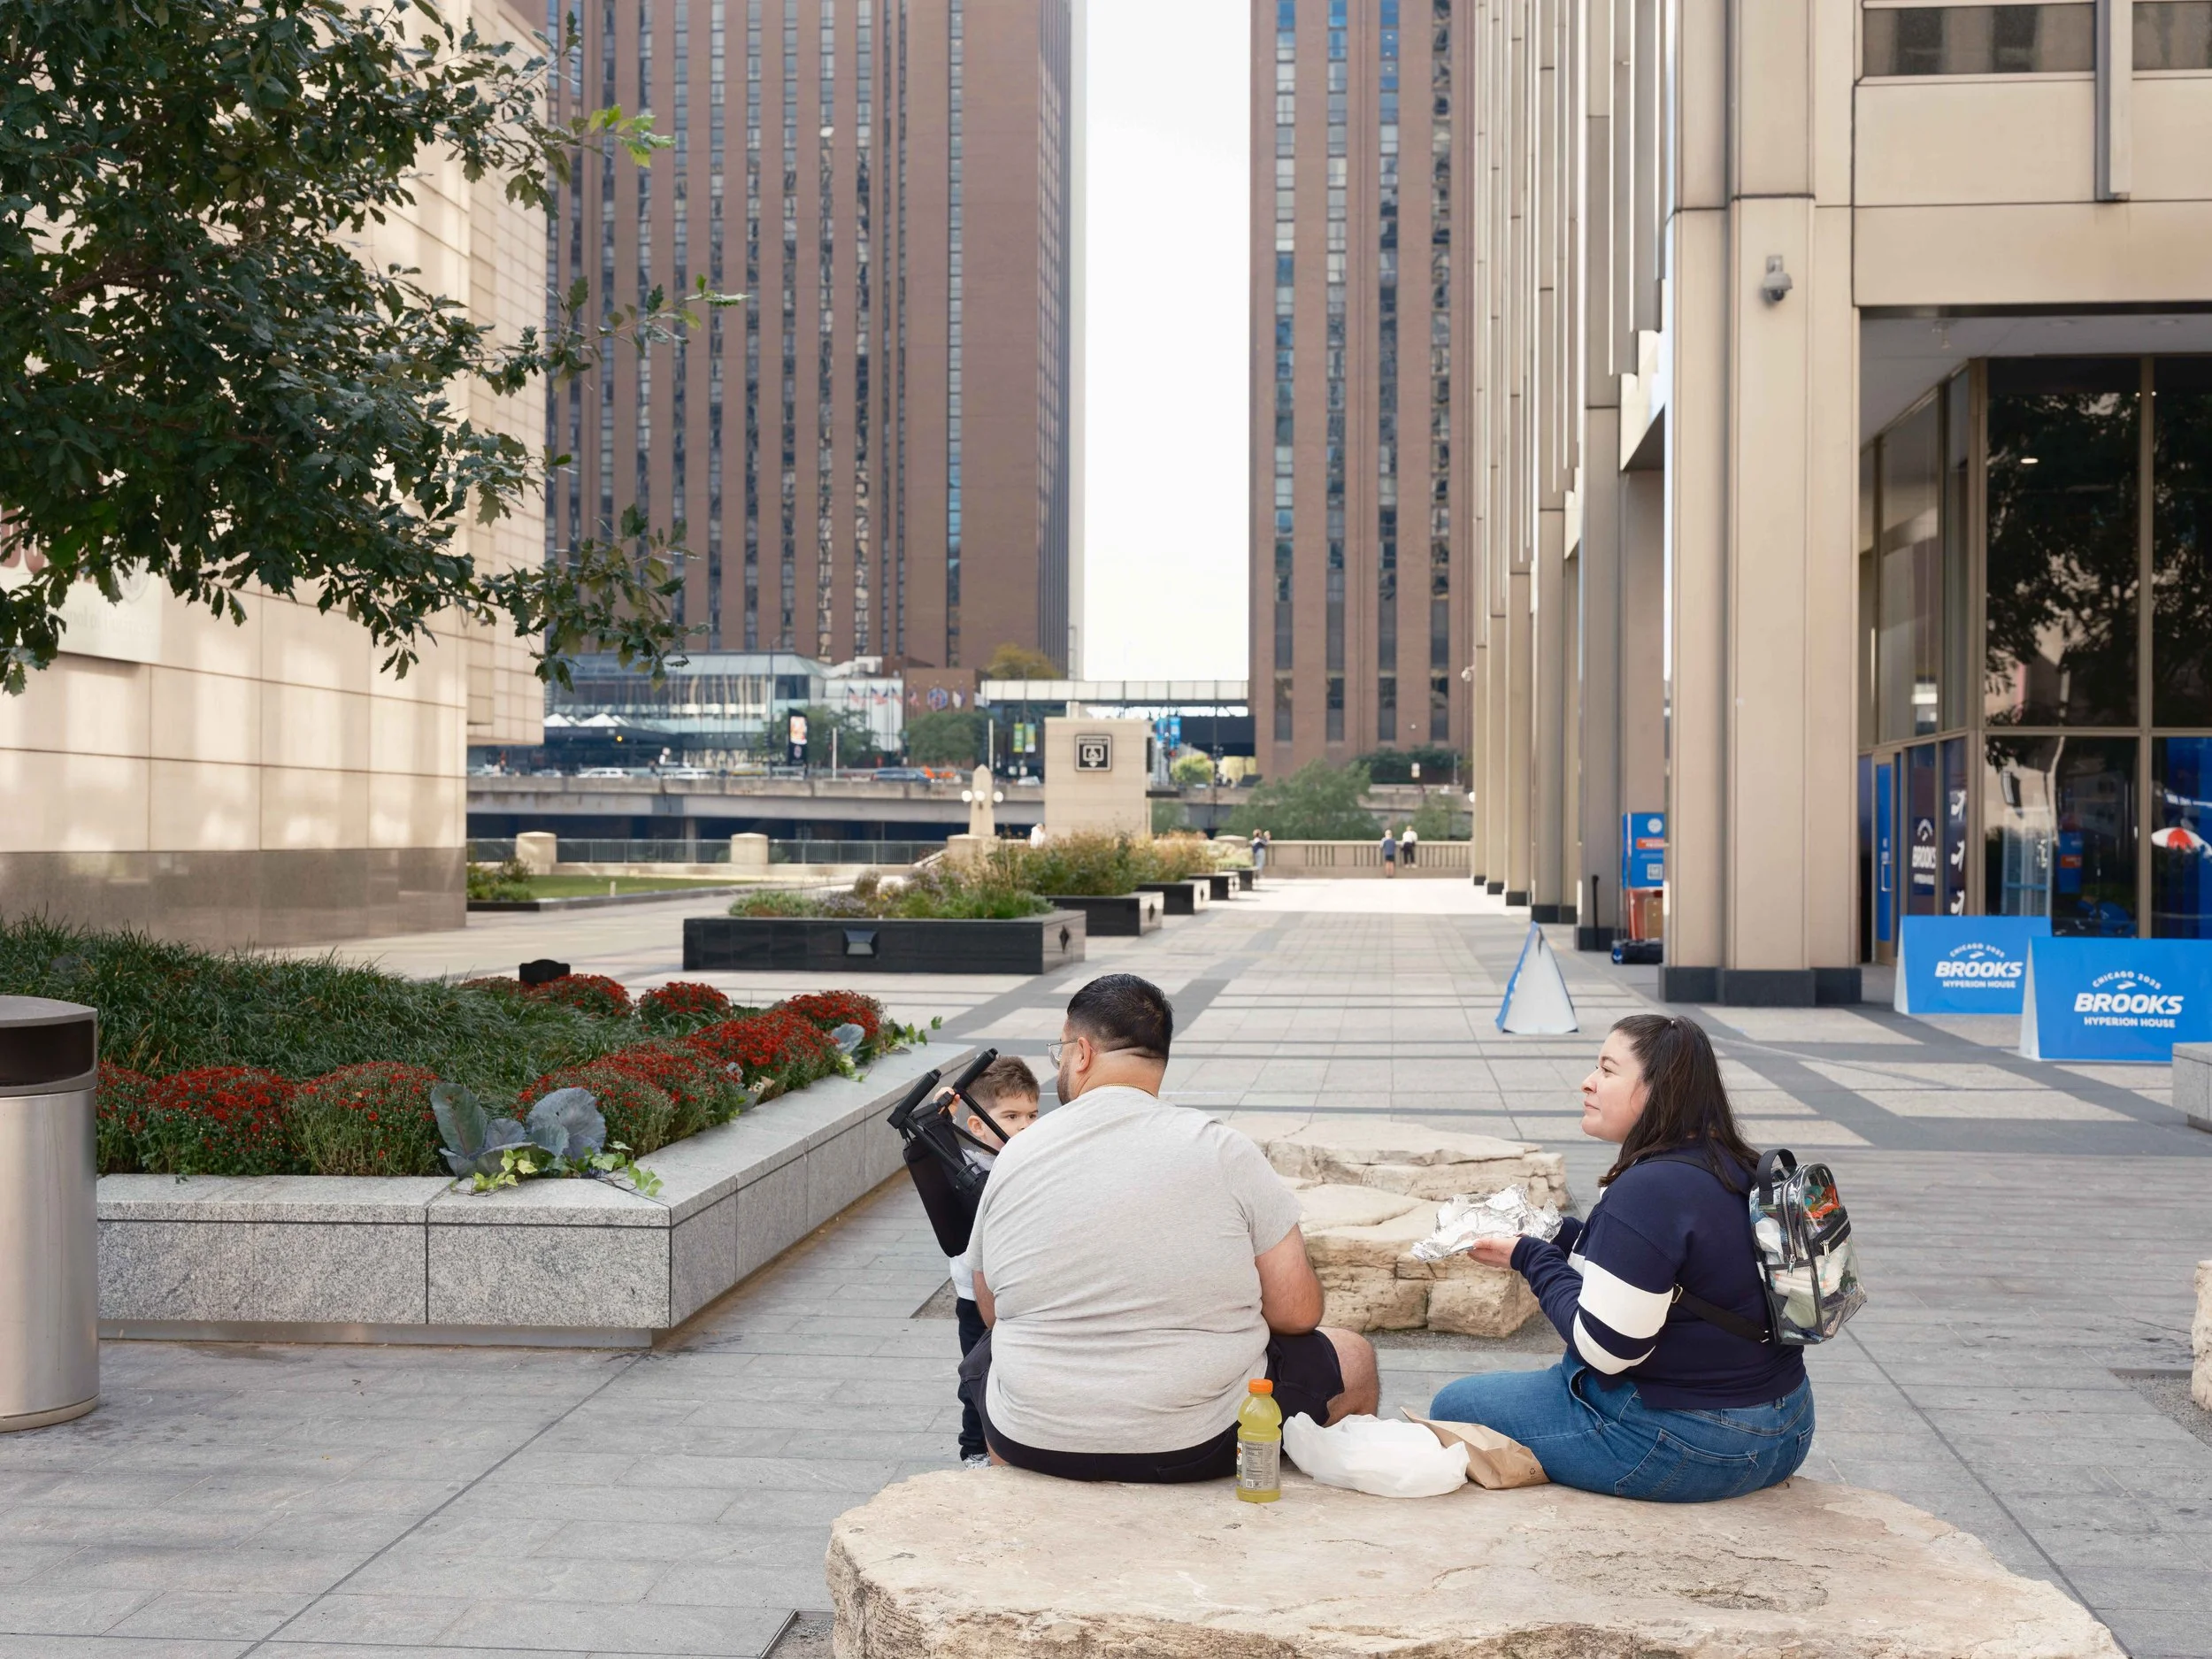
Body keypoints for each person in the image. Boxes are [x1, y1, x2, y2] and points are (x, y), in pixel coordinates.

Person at [962, 973, 1378, 1481]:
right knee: (1352, 1357)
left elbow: (992, 1310)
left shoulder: (1015, 1155)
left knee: (989, 1356)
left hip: (1031, 1437)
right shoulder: (1224, 1149)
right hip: (1198, 1441)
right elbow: (1296, 1313)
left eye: (1060, 1052)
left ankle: (1005, 1480)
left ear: (1083, 1052)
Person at [1426, 1014, 1814, 1502]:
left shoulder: (1647, 1189)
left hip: (1694, 1448)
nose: (1587, 1083)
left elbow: (1608, 1349)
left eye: (1608, 1071)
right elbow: (1664, 1270)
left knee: (1455, 1403)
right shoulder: (1734, 1162)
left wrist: (1530, 1258)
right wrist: (1556, 1237)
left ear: (1661, 1089)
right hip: (1789, 1428)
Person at [938, 1056, 1042, 1465]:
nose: (1024, 1126)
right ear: (978, 1126)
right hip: (974, 1297)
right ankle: (974, 1450)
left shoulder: (1031, 1161)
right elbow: (937, 1148)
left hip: (1016, 1291)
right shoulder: (973, 1166)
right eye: (1011, 1116)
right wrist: (943, 1117)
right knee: (977, 1375)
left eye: (1033, 1114)